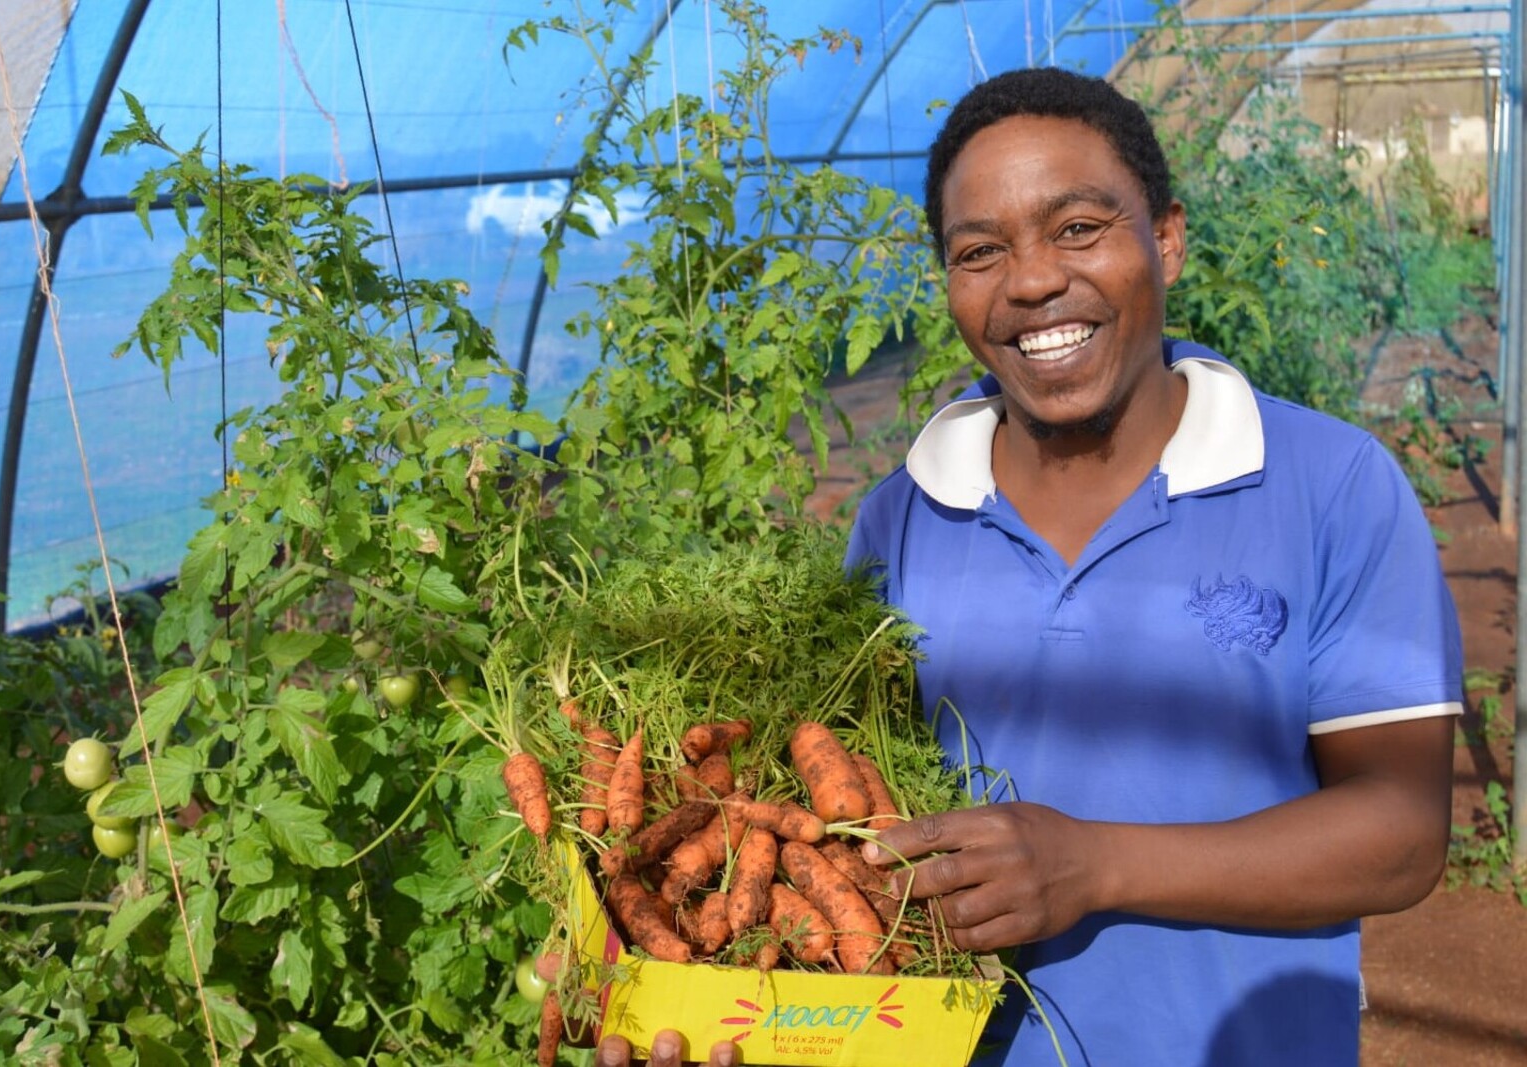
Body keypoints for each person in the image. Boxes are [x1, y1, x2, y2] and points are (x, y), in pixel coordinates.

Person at [593, 66, 1461, 1067]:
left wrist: (1092, 862)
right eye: (978, 250)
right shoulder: (899, 521)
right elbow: (844, 832)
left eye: (1078, 228)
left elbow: (1399, 833)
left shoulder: (1332, 486)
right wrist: (727, 974)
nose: (1033, 279)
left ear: (1165, 238)